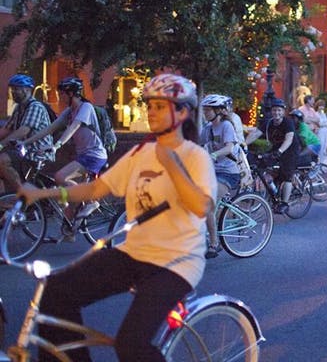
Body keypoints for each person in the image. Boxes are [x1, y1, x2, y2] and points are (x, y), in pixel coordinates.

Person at [17, 73, 215, 362]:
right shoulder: (140, 153)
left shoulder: (194, 156)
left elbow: (201, 207)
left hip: (176, 263)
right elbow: (98, 188)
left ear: (182, 112)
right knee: (55, 293)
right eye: (150, 106)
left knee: (130, 345)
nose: (151, 112)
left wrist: (171, 163)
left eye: (160, 106)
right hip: (134, 253)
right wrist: (43, 195)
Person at [21, 77, 108, 242]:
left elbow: (74, 127)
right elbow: (50, 129)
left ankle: (91, 201)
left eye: (62, 94)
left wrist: (56, 146)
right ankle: (70, 231)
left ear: (71, 93)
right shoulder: (69, 111)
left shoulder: (86, 108)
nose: (60, 97)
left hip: (94, 155)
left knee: (60, 177)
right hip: (83, 155)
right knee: (72, 198)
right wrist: (24, 142)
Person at [199, 94, 241, 258]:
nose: (205, 113)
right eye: (205, 110)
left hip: (228, 172)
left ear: (218, 111)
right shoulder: (207, 128)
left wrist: (213, 155)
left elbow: (229, 148)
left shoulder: (226, 126)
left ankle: (214, 244)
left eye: (208, 110)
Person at [0, 74, 54, 193]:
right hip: (24, 150)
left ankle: (24, 195)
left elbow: (24, 130)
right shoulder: (19, 108)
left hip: (37, 152)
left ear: (27, 90)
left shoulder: (35, 107)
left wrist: (2, 144)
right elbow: (7, 129)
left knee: (2, 160)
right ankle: (10, 198)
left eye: (17, 89)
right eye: (12, 89)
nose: (13, 92)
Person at [246, 98, 300, 214]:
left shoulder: (287, 122)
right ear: (271, 111)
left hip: (290, 149)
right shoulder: (268, 123)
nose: (277, 113)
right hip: (276, 149)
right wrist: (243, 144)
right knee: (262, 164)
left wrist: (280, 151)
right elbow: (255, 134)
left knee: (287, 175)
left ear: (283, 112)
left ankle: (285, 204)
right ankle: (273, 189)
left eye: (279, 110)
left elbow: (289, 139)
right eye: (274, 110)